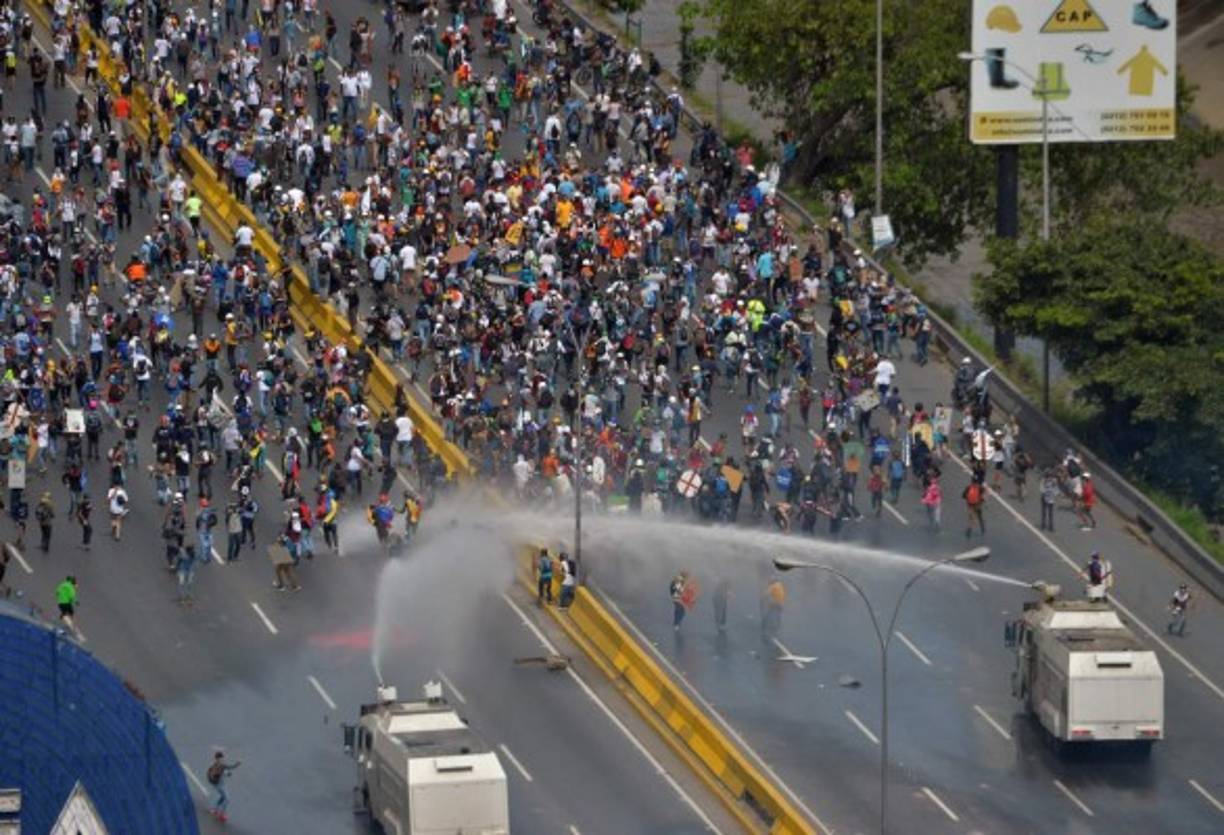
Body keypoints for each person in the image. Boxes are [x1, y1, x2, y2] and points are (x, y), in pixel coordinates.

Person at [206, 751, 241, 823]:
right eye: (221, 758)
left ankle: (214, 809)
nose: (222, 759)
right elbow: (231, 767)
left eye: (222, 758)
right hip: (219, 785)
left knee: (222, 797)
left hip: (216, 784)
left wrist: (227, 774)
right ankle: (222, 814)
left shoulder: (214, 764)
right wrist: (238, 763)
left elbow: (223, 771)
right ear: (218, 758)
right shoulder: (221, 764)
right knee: (227, 799)